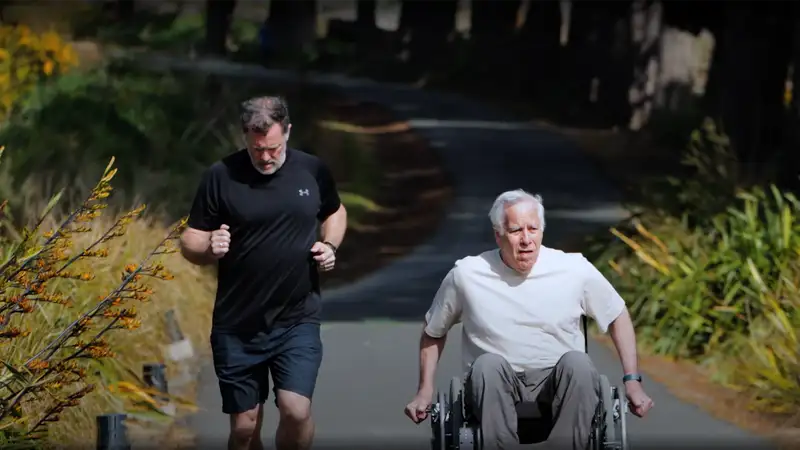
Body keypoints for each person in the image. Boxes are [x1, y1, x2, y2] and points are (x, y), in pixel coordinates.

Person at [403, 189, 653, 450]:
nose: (526, 240)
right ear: (498, 235)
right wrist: (424, 391)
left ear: (542, 232)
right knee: (487, 365)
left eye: (533, 229)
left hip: (559, 385)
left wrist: (632, 381)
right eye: (515, 231)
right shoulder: (467, 274)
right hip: (494, 387)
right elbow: (434, 331)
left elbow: (617, 315)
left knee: (579, 363)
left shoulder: (574, 269)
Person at [179, 96, 347, 450]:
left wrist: (329, 246)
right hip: (238, 324)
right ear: (244, 137)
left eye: (273, 147)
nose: (266, 157)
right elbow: (189, 241)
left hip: (297, 318)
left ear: (287, 131)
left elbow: (335, 211)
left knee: (296, 410)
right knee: (244, 428)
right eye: (257, 150)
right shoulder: (220, 176)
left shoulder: (312, 170)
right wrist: (210, 247)